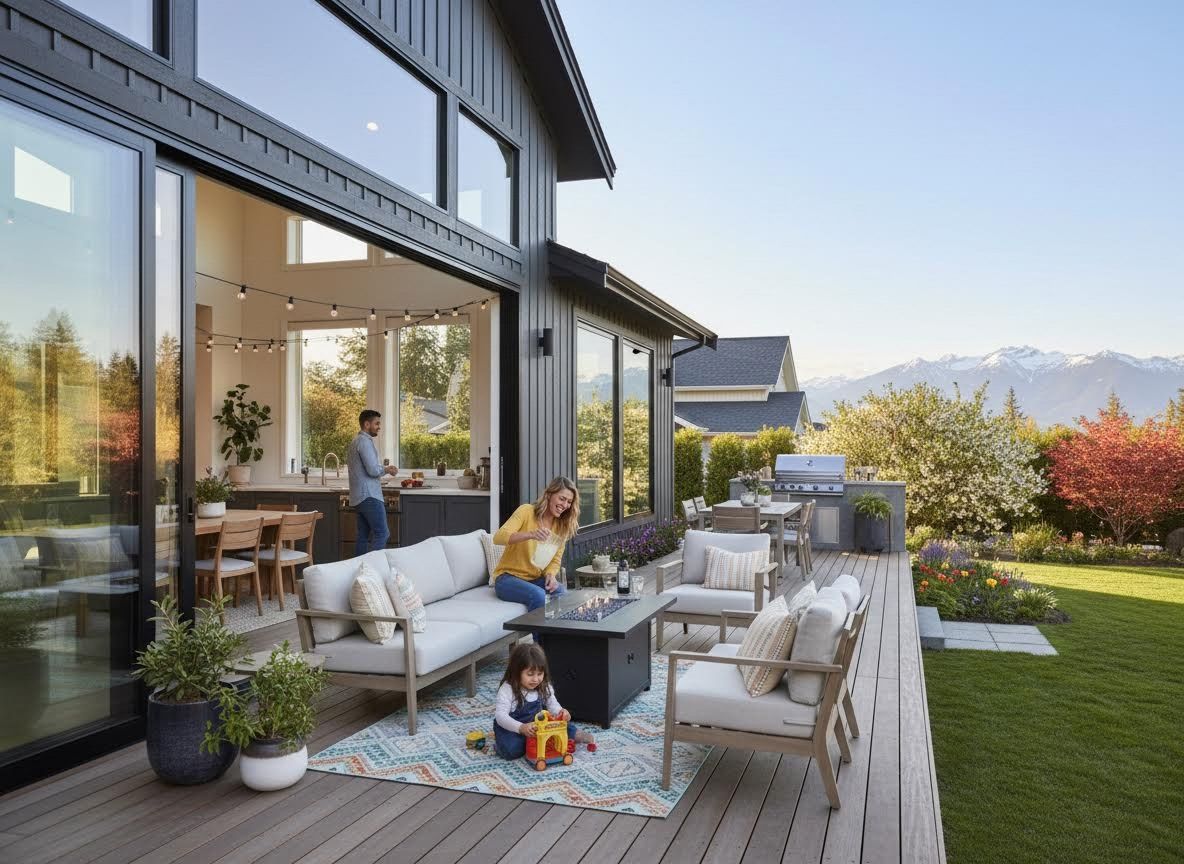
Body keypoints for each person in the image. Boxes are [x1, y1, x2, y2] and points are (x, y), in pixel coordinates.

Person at [492, 476, 580, 611]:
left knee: (562, 593)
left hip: (534, 579)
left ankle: (561, 633)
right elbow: (498, 537)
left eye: (569, 502)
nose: (565, 505)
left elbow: (555, 560)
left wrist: (551, 575)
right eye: (562, 499)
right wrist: (531, 534)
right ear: (549, 495)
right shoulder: (526, 511)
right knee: (538, 595)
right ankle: (541, 633)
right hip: (507, 579)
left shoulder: (562, 527)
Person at [493, 643, 594, 759]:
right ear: (516, 672)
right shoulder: (507, 689)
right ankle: (500, 745)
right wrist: (521, 728)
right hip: (514, 727)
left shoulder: (544, 685)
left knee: (559, 724)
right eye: (530, 674)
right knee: (512, 750)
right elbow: (501, 717)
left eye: (540, 674)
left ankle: (573, 733)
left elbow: (553, 705)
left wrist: (561, 712)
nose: (535, 679)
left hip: (539, 725)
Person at [347, 409, 398, 555]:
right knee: (382, 533)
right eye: (376, 423)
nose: (379, 427)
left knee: (362, 536)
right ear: (366, 424)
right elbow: (373, 470)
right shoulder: (364, 442)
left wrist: (383, 469)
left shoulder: (355, 441)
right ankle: (373, 569)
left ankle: (362, 573)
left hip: (359, 497)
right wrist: (387, 469)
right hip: (369, 495)